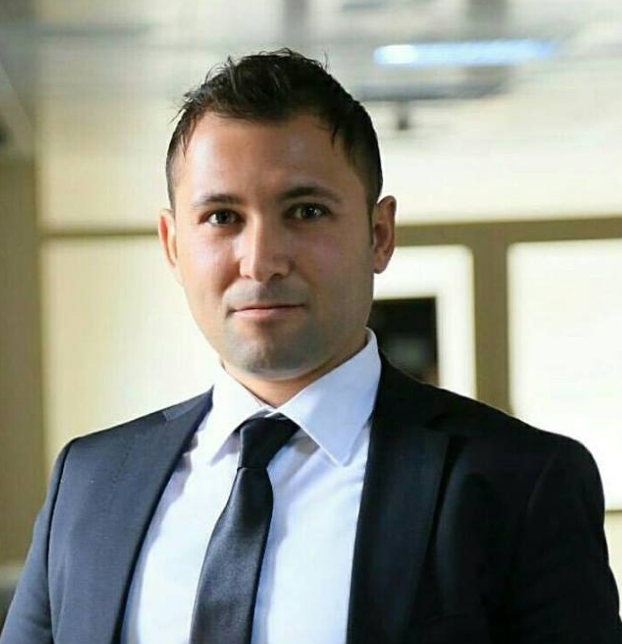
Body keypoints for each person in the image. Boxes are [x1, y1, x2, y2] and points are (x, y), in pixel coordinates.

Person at [1, 49, 620, 644]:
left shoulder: (520, 482)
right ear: (172, 244)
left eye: (305, 211)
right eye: (222, 217)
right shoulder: (91, 482)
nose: (261, 260)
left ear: (379, 234)